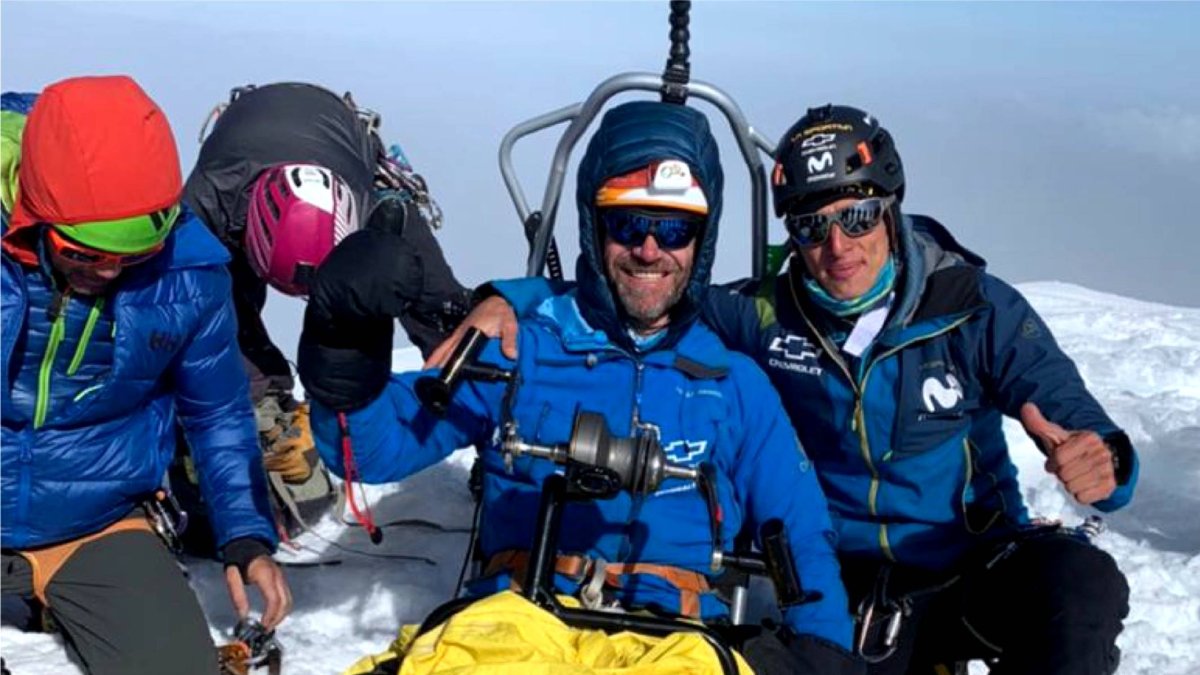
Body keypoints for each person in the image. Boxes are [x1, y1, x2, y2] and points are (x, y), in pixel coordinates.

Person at [453, 103, 1139, 675]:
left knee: (1080, 586)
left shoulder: (974, 309)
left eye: (858, 217)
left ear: (891, 207)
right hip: (833, 583)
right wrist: (513, 296)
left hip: (965, 566)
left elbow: (1081, 424)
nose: (838, 245)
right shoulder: (764, 315)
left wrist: (1106, 460)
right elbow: (642, 288)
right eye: (812, 226)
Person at [298, 100, 862, 674]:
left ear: (701, 240)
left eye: (673, 229)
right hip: (515, 628)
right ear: (595, 230)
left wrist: (823, 652)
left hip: (674, 641)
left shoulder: (734, 386)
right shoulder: (523, 353)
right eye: (628, 224)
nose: (650, 249)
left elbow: (799, 537)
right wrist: (342, 343)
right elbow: (375, 447)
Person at [1, 75, 290, 675]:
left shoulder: (190, 272)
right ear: (33, 217)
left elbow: (217, 413)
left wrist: (245, 534)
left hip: (93, 520)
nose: (107, 273)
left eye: (131, 255)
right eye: (83, 252)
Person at [183, 82, 471, 491]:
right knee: (221, 304)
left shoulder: (381, 211)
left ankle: (479, 408)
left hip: (335, 134)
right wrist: (254, 397)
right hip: (249, 147)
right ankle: (268, 409)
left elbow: (438, 302)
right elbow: (192, 316)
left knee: (436, 305)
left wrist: (458, 354)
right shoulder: (205, 204)